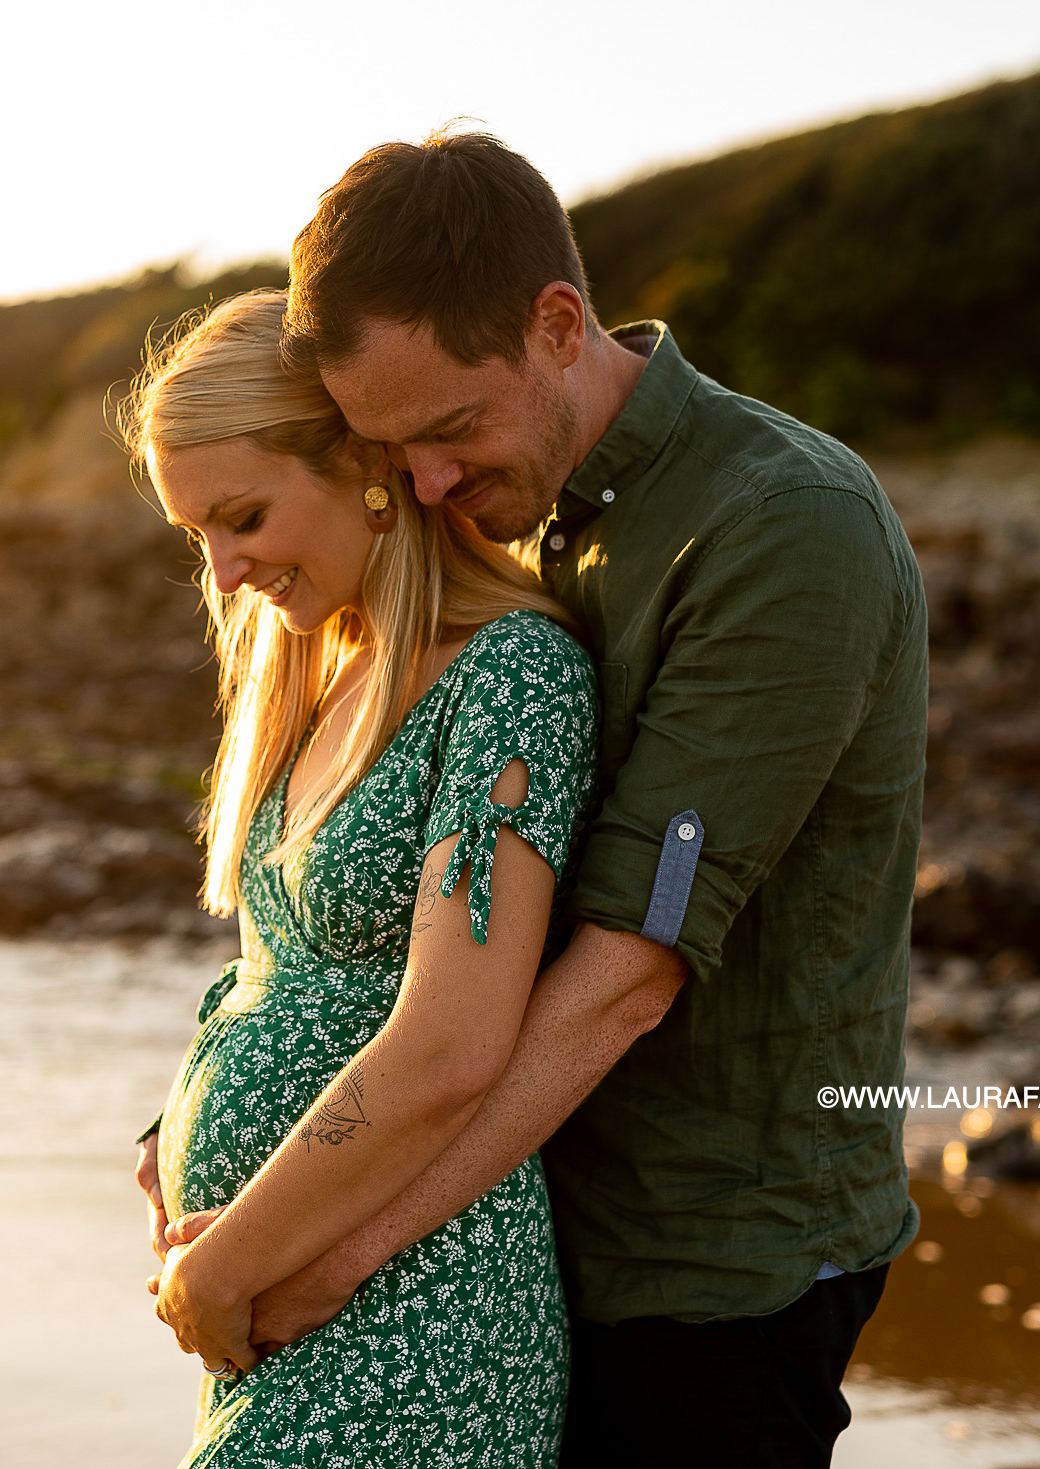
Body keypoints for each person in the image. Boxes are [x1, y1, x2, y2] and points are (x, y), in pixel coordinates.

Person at [151, 131, 927, 1468]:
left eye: (449, 430)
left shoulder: (780, 526)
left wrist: (339, 1245)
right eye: (395, 455)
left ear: (558, 325)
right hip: (518, 1233)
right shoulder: (530, 510)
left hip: (705, 1257)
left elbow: (630, 968)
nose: (431, 483)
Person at [121, 288, 601, 1465]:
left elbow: (451, 1044)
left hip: (412, 1318)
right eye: (199, 539)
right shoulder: (325, 674)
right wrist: (172, 1124)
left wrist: (221, 1267)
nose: (225, 573)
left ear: (362, 463)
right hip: (283, 1310)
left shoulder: (511, 674)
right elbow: (279, 967)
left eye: (243, 517)